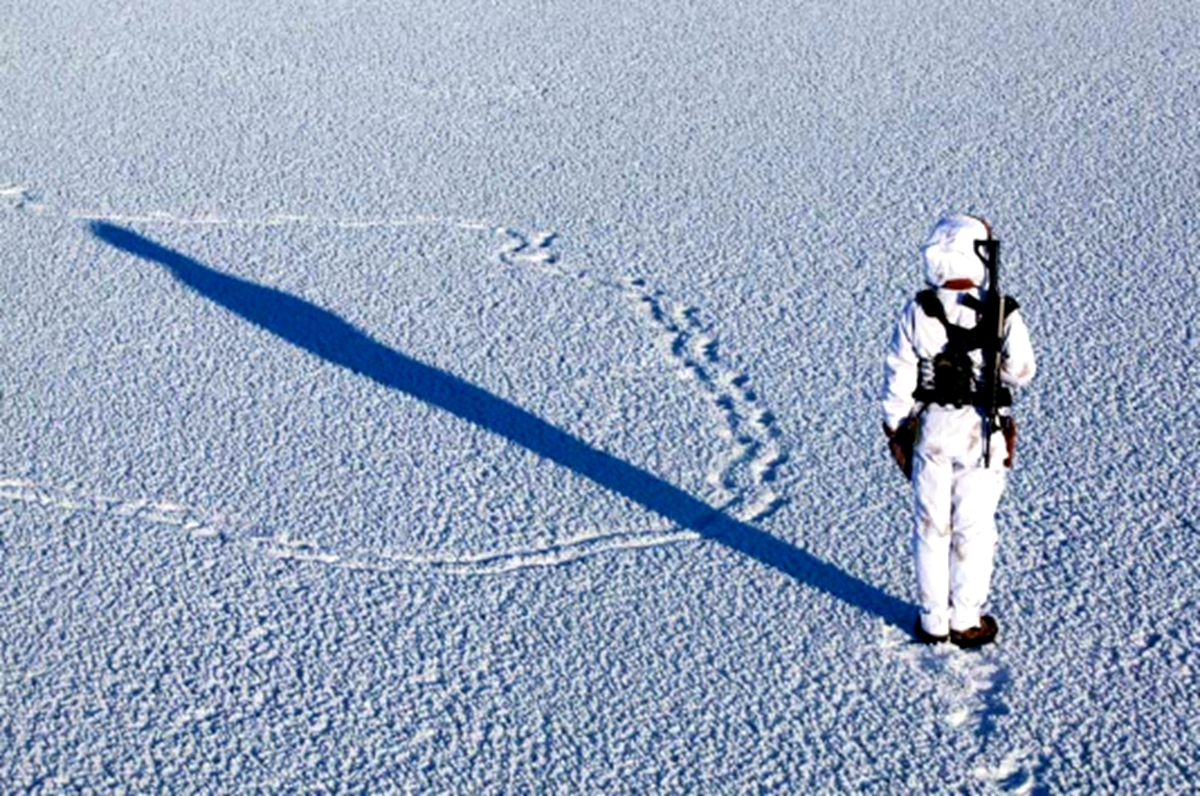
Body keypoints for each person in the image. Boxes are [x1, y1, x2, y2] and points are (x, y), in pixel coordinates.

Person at [881, 214, 1036, 647]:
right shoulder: (1001, 310)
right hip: (982, 433)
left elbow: (899, 374)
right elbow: (1022, 371)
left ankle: (932, 619)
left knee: (931, 527)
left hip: (931, 430)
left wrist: (896, 428)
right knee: (975, 528)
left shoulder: (918, 309)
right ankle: (966, 618)